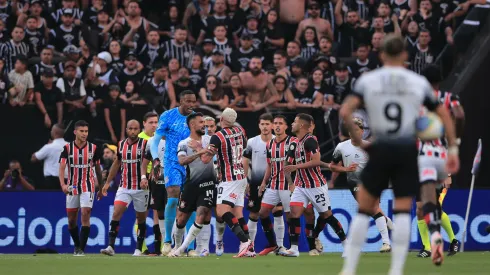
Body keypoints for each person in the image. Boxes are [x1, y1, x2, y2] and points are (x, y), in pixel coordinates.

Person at [339, 34, 459, 275]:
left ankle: (349, 269)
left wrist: (360, 141)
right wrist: (453, 147)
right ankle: (396, 270)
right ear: (405, 55)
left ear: (381, 55)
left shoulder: (368, 80)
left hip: (381, 146)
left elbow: (345, 111)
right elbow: (444, 114)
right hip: (406, 149)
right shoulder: (417, 82)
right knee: (404, 210)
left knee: (364, 209)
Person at [415, 65, 465, 258]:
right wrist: (456, 139)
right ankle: (430, 246)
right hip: (440, 158)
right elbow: (459, 115)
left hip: (427, 159)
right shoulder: (450, 98)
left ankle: (443, 241)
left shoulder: (418, 102)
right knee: (422, 207)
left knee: (429, 206)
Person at [281, 114, 347, 257]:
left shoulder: (310, 140)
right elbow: (287, 165)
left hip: (315, 185)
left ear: (302, 126)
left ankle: (346, 245)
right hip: (300, 185)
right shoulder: (295, 142)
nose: (292, 124)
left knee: (327, 215)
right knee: (294, 214)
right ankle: (294, 248)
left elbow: (316, 161)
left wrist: (296, 167)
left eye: (295, 121)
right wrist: (291, 183)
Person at [327, 118, 393, 253]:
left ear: (362, 132)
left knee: (373, 209)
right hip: (354, 183)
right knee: (373, 210)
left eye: (356, 130)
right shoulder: (341, 147)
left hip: (371, 182)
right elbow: (332, 166)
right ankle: (392, 226)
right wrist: (346, 170)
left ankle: (386, 242)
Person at [150, 90, 197, 256]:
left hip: (192, 164)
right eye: (188, 101)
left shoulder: (197, 119)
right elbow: (155, 140)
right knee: (173, 196)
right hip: (172, 163)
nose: (191, 105)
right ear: (181, 101)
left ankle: (190, 247)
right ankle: (167, 242)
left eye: (194, 101)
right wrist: (156, 159)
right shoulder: (168, 116)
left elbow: (203, 141)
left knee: (190, 203)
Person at [206, 108, 254, 257]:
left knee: (221, 212)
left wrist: (199, 150)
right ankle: (249, 249)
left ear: (221, 120)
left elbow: (206, 159)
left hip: (228, 178)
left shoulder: (217, 137)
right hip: (241, 176)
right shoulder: (241, 130)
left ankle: (245, 241)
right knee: (238, 213)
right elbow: (244, 146)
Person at [99, 120, 149, 257]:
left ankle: (138, 248)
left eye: (135, 129)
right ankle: (110, 246)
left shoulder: (145, 144)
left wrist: (148, 178)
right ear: (126, 129)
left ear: (139, 130)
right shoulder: (121, 144)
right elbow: (116, 164)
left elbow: (150, 163)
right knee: (116, 214)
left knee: (141, 218)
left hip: (141, 188)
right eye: (130, 129)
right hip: (124, 186)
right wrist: (108, 182)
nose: (133, 131)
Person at [169, 113, 216, 257]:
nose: (204, 125)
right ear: (192, 125)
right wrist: (200, 151)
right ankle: (176, 245)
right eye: (201, 122)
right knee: (181, 218)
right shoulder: (183, 143)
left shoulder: (211, 139)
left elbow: (208, 158)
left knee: (202, 213)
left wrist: (201, 148)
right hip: (191, 185)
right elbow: (182, 161)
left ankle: (183, 249)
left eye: (205, 122)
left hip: (208, 183)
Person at [58, 120, 103, 256]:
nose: (84, 134)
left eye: (86, 131)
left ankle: (81, 249)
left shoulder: (94, 148)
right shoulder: (67, 148)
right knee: (71, 221)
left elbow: (98, 169)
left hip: (88, 186)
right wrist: (63, 185)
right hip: (72, 187)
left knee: (85, 213)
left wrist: (101, 187)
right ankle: (77, 245)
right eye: (81, 131)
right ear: (75, 132)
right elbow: (61, 168)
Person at [242, 113, 284, 250]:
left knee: (277, 211)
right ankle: (250, 247)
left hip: (275, 182)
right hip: (255, 182)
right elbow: (245, 161)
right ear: (259, 125)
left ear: (272, 125)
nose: (265, 127)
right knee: (254, 213)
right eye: (262, 124)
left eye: (267, 124)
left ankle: (280, 246)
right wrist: (245, 181)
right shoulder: (252, 142)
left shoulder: (277, 141)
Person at [257, 115, 297, 255]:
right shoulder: (270, 144)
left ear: (286, 126)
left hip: (288, 185)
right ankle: (274, 245)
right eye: (276, 123)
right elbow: (270, 165)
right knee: (262, 213)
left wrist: (294, 182)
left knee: (290, 216)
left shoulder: (293, 142)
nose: (278, 126)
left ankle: (292, 247)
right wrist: (263, 183)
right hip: (273, 185)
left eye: (281, 123)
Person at [137, 112, 165, 255]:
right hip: (143, 179)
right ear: (144, 123)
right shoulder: (140, 139)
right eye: (151, 122)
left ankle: (159, 247)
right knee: (142, 214)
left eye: (156, 122)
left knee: (157, 211)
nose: (154, 125)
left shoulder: (160, 138)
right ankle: (141, 247)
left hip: (158, 179)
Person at [31, 124, 68, 190]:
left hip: (52, 182)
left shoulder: (49, 147)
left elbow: (33, 158)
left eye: (51, 130)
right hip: (67, 181)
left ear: (55, 133)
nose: (51, 132)